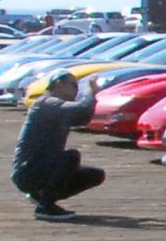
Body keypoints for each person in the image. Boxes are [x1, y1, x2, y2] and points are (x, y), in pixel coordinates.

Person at [12, 73, 108, 218]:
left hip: (41, 168)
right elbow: (81, 108)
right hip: (26, 172)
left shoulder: (58, 108)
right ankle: (45, 207)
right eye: (73, 85)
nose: (76, 90)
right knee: (71, 157)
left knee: (95, 175)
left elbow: (83, 116)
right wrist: (89, 91)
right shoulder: (47, 103)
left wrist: (91, 98)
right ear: (58, 83)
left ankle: (41, 196)